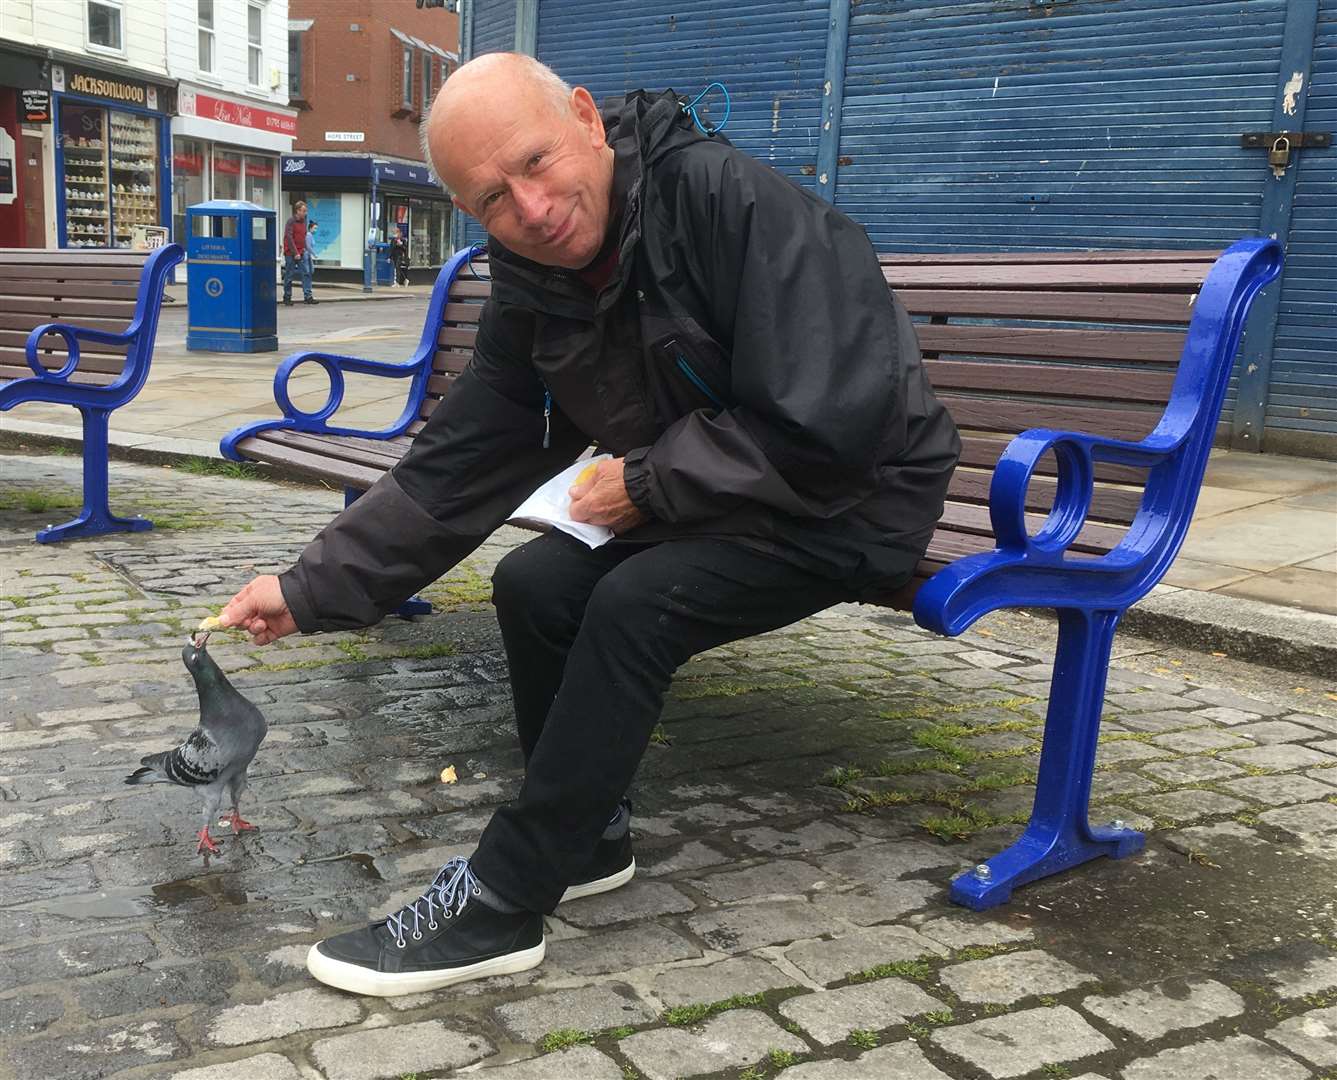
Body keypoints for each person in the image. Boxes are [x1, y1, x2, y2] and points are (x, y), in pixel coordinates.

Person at [220, 53, 960, 998]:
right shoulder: (536, 277)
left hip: (852, 498)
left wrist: (648, 482)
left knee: (636, 602)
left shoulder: (729, 203)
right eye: (491, 199)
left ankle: (503, 898)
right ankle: (590, 831)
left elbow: (835, 424)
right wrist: (310, 587)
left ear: (585, 119)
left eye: (534, 163)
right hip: (725, 499)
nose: (529, 209)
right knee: (533, 584)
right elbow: (466, 457)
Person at [281, 200, 317, 306]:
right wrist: (295, 252)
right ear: (297, 211)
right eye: (303, 211)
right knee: (289, 275)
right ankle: (287, 297)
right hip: (290, 253)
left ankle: (308, 296)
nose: (305, 213)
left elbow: (303, 237)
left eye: (306, 211)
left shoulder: (304, 222)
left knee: (306, 273)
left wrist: (305, 249)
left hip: (302, 251)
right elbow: (289, 237)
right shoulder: (291, 222)